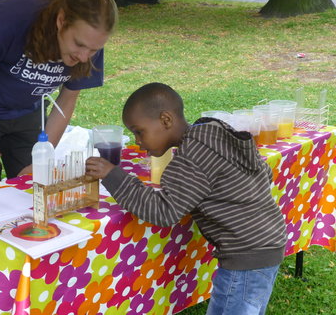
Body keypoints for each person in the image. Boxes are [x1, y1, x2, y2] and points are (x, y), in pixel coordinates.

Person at [86, 82, 287, 315]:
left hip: (247, 253)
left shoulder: (192, 156)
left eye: (139, 132)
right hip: (268, 242)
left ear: (165, 120)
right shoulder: (215, 131)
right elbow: (265, 172)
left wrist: (113, 176)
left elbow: (164, 211)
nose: (138, 142)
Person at [0, 0, 118, 191]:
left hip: (29, 113)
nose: (84, 56)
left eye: (94, 49)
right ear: (61, 20)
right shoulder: (8, 20)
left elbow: (67, 100)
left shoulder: (89, 41)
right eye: (78, 45)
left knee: (34, 189)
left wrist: (44, 156)